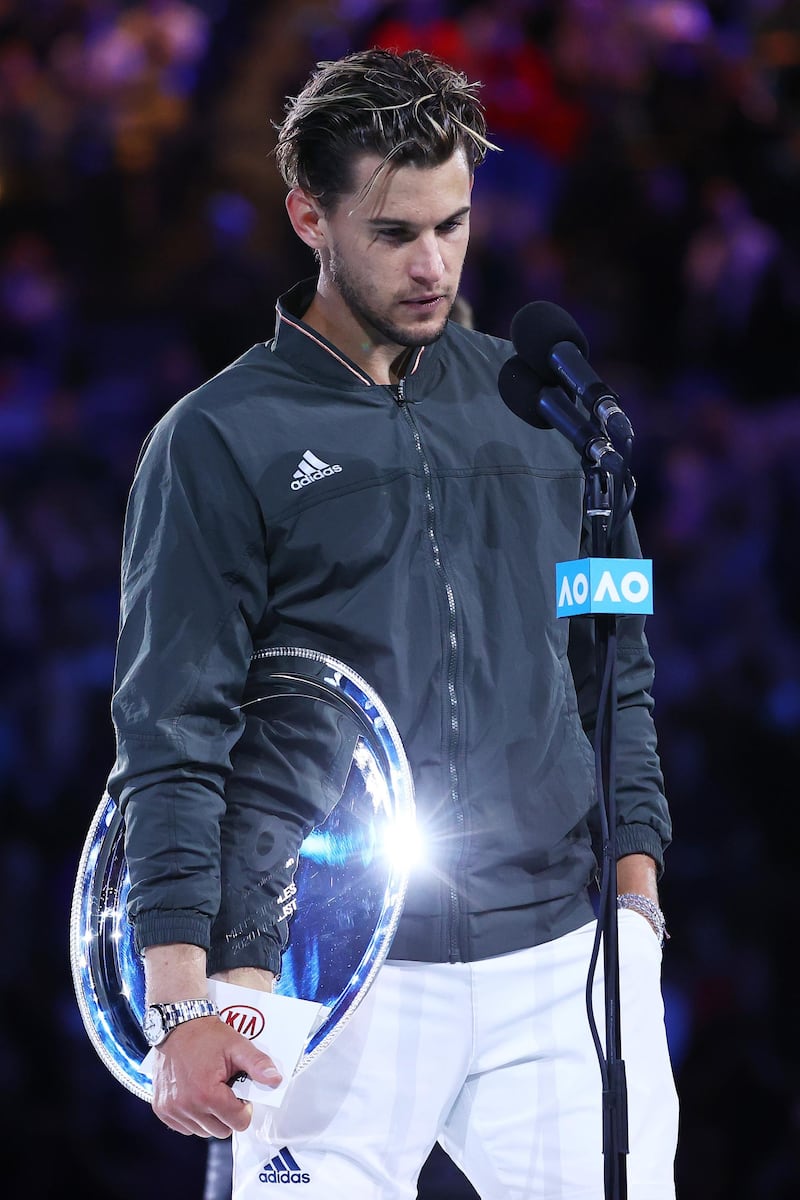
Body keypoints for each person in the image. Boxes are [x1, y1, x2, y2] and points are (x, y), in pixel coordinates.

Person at [106, 47, 679, 1199]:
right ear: (307, 216)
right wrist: (176, 997)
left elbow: (613, 665)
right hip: (321, 976)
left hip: (562, 964)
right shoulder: (219, 439)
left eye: (452, 225)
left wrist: (635, 902)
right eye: (393, 234)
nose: (433, 265)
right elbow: (173, 731)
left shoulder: (547, 409)